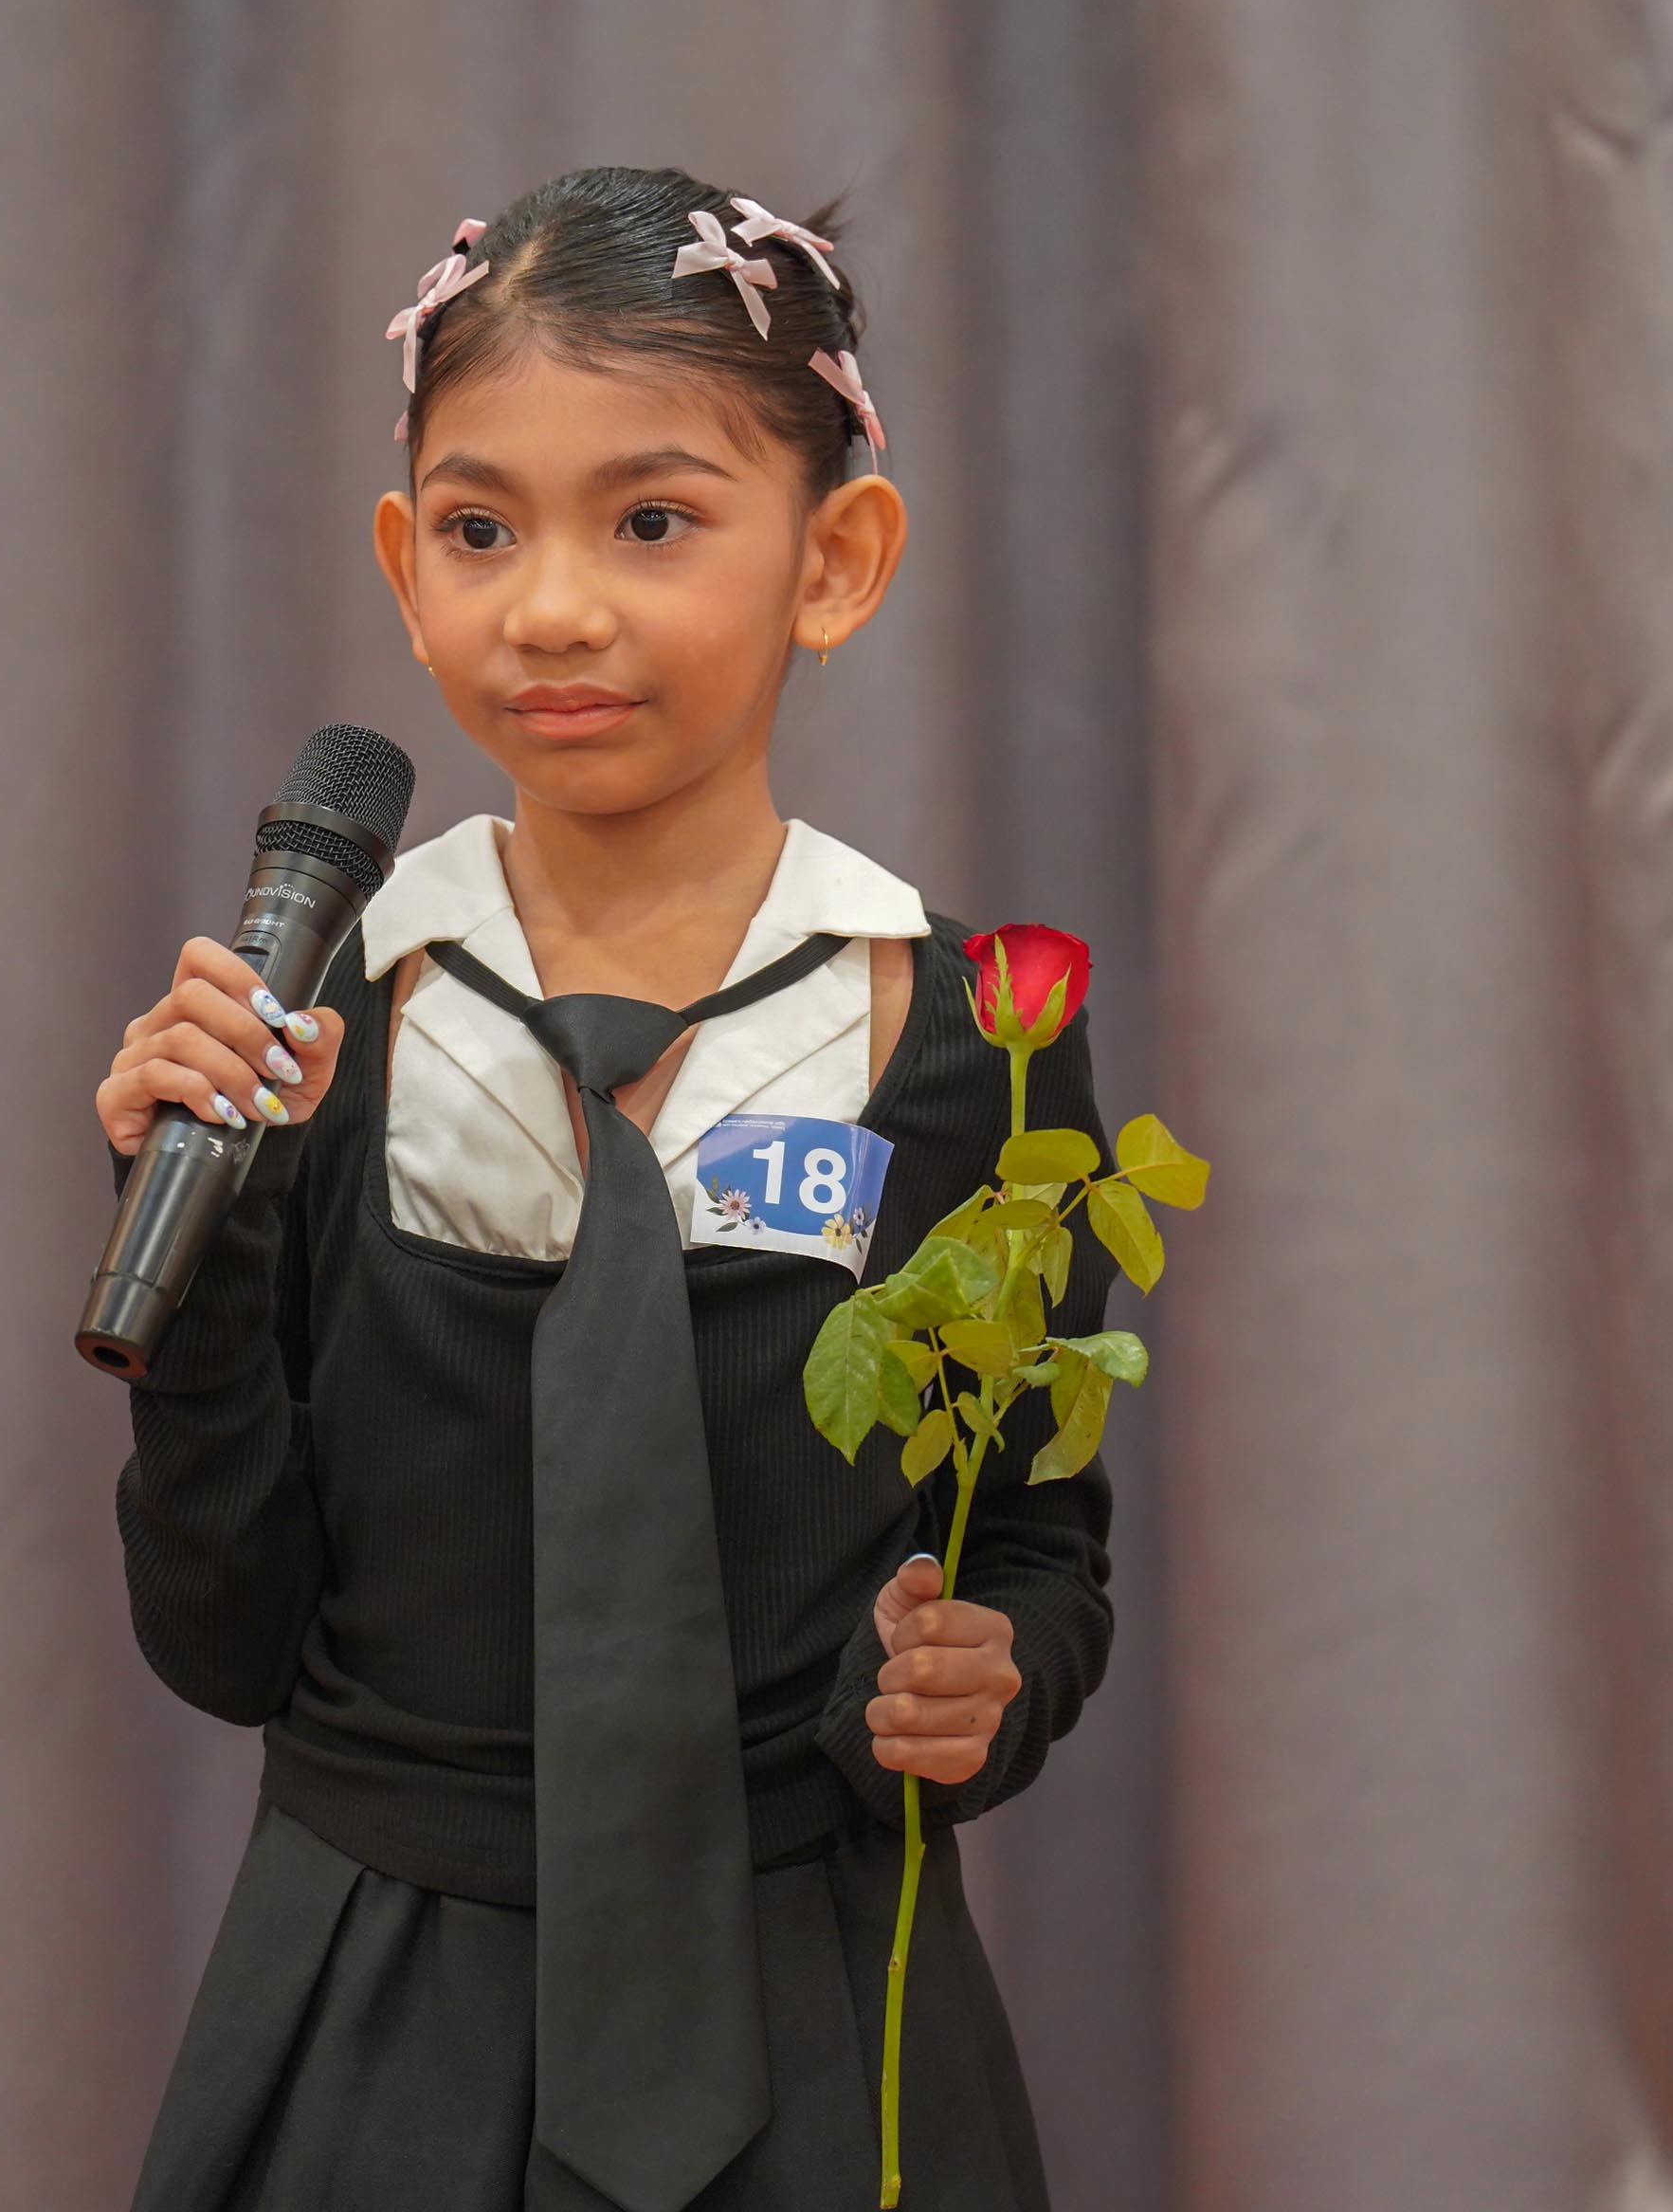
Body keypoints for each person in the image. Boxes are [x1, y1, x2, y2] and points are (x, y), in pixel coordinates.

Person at [96, 165, 1118, 2212]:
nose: (552, 607)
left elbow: (1037, 1540)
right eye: (481, 530)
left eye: (652, 522)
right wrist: (192, 1245)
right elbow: (225, 1642)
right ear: (405, 569)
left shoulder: (965, 1032)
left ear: (837, 559)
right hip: (376, 2001)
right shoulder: (328, 1019)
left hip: (806, 2004)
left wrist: (990, 1679)